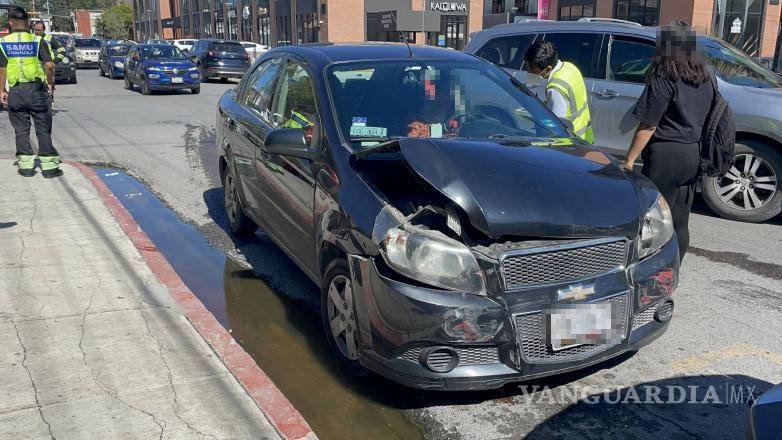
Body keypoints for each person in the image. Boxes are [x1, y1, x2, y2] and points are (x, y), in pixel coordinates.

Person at [620, 23, 714, 260]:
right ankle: (675, 267)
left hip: (666, 156)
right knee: (680, 220)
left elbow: (649, 123)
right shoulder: (704, 75)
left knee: (655, 218)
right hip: (693, 153)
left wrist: (629, 160)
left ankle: (653, 268)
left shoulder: (665, 74)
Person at [0, 7, 60, 178]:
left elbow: (2, 69)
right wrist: (50, 83)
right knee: (43, 128)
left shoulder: (3, 43)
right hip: (37, 91)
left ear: (10, 22)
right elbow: (49, 65)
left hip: (16, 92)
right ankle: (49, 169)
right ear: (27, 22)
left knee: (21, 130)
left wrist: (2, 90)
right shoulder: (37, 41)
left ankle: (26, 168)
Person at [524, 41, 594, 143]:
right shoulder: (569, 67)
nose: (529, 72)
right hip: (586, 137)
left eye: (532, 68)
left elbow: (555, 127)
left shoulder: (555, 89)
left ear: (548, 69)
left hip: (570, 144)